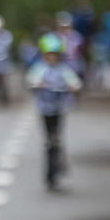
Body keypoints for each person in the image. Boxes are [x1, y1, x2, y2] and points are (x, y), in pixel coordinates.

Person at [27, 34, 82, 188]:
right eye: (48, 55)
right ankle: (50, 172)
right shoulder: (39, 68)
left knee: (57, 137)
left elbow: (75, 82)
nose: (51, 58)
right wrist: (38, 84)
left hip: (59, 108)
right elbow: (31, 80)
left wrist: (74, 87)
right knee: (49, 140)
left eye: (54, 55)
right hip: (45, 109)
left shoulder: (63, 70)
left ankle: (59, 163)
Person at [55, 11, 86, 80]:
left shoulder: (76, 36)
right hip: (59, 63)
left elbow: (80, 52)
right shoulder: (55, 36)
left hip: (74, 63)